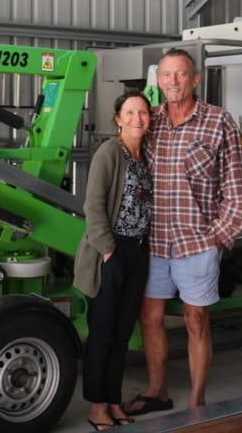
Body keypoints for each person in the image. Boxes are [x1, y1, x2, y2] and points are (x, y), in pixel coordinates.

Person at [124, 48, 242, 416]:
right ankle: (157, 390)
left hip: (197, 242)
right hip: (155, 241)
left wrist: (217, 238)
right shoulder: (150, 120)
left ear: (195, 80)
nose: (173, 81)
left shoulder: (218, 122)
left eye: (180, 75)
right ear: (157, 80)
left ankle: (197, 402)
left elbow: (237, 192)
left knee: (196, 320)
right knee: (150, 317)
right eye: (166, 75)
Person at [74, 90, 153, 430]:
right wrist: (108, 250)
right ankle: (97, 407)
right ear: (118, 119)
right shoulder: (110, 152)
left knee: (122, 334)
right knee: (103, 333)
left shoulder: (145, 155)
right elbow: (92, 207)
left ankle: (115, 401)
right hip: (112, 253)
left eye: (144, 112)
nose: (138, 118)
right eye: (130, 112)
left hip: (138, 251)